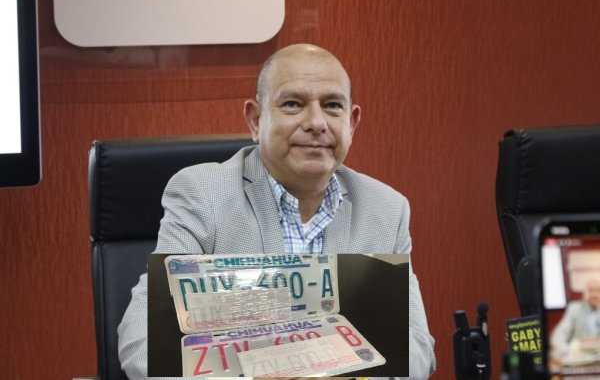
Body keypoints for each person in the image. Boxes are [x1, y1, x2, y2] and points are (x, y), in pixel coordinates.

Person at [117, 43, 436, 379]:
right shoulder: (203, 194)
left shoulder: (386, 209)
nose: (316, 122)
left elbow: (416, 349)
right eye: (293, 104)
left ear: (352, 122)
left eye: (332, 105)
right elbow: (143, 339)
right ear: (256, 120)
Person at [551, 278, 600, 358]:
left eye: (598, 290)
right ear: (584, 293)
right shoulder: (574, 309)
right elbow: (559, 335)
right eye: (590, 290)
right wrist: (567, 351)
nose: (594, 295)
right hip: (579, 358)